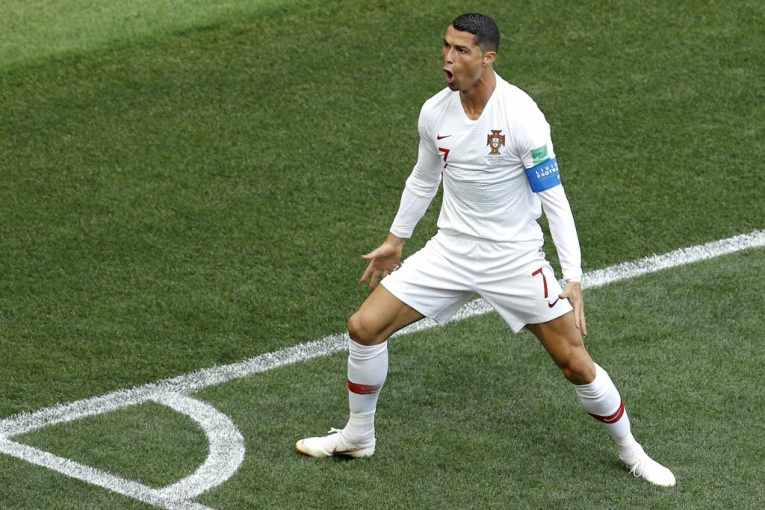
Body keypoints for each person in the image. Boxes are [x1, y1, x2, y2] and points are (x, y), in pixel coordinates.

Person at [296, 12, 675, 487]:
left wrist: (573, 277)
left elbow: (554, 200)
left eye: (461, 50)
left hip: (513, 259)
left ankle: (632, 451)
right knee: (364, 327)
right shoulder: (435, 112)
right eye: (445, 46)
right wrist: (396, 240)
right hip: (450, 252)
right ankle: (357, 436)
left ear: (488, 57)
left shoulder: (522, 117)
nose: (447, 58)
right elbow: (423, 178)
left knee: (575, 363)